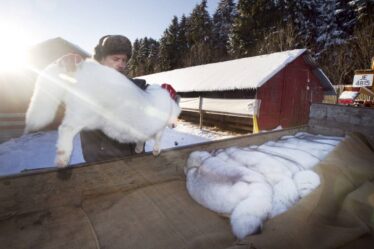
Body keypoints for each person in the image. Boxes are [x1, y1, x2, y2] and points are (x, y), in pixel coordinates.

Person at [59, 35, 149, 163]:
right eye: (116, 59)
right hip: (103, 163)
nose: (121, 64)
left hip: (134, 157)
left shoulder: (132, 85)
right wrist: (68, 69)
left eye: (124, 60)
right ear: (101, 59)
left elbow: (148, 92)